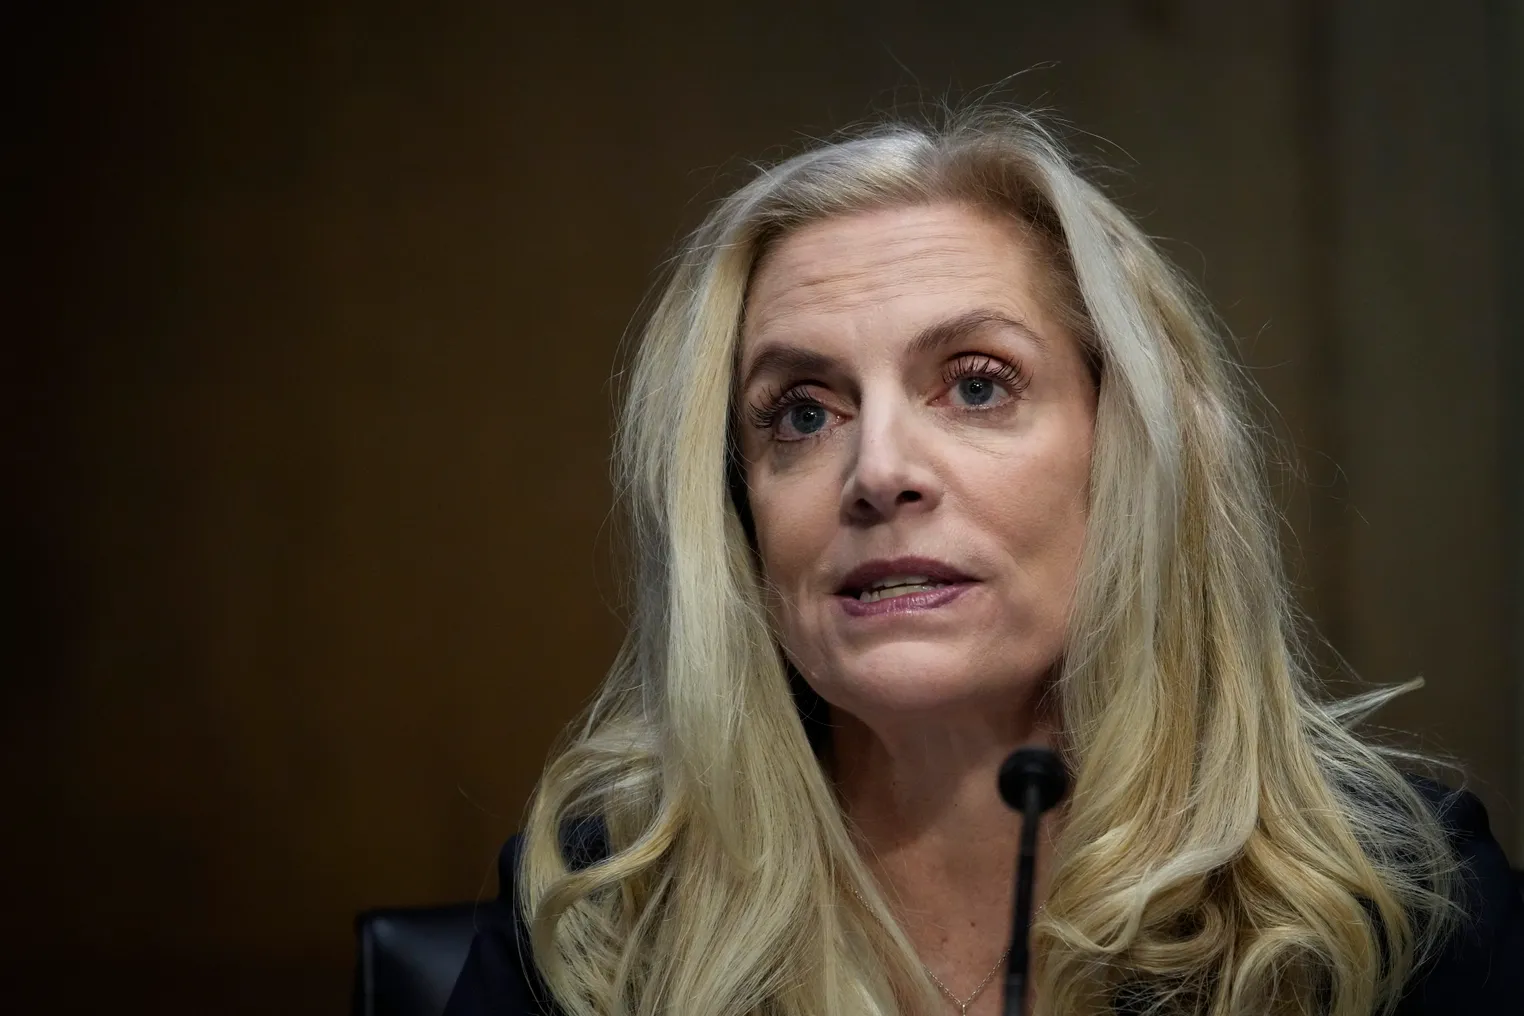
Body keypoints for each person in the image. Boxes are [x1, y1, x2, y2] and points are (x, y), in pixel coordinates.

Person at [445, 108, 1522, 1016]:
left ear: (1129, 456)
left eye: (975, 384)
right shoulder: (601, 914)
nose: (877, 470)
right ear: (737, 511)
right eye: (803, 412)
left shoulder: (1394, 902)